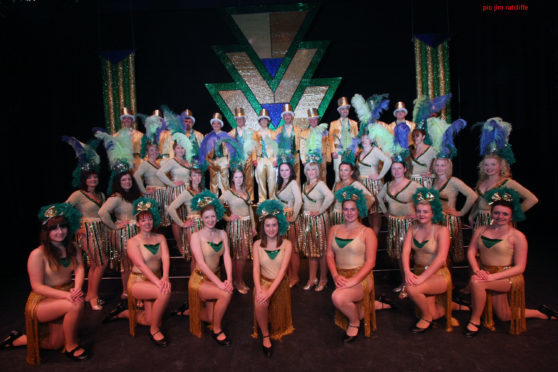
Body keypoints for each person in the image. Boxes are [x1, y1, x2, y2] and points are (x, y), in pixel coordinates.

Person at [2, 204, 88, 364]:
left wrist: (76, 289)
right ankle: (71, 346)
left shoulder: (73, 247)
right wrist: (68, 295)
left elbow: (80, 269)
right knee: (75, 305)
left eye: (63, 227)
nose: (60, 231)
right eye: (54, 228)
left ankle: (20, 339)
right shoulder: (37, 254)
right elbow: (37, 287)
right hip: (43, 300)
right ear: (46, 232)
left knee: (55, 344)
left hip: (65, 294)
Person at [464, 188, 557, 337]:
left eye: (505, 214)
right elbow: (471, 252)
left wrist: (491, 277)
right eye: (496, 213)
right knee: (504, 315)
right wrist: (477, 270)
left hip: (507, 277)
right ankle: (540, 313)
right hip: (486, 273)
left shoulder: (517, 236)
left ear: (512, 215)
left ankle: (475, 320)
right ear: (491, 213)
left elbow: (520, 267)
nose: (500, 216)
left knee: (476, 282)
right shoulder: (481, 229)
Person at [116, 198, 171, 346]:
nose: (147, 223)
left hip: (156, 279)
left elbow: (165, 258)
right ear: (138, 223)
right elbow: (141, 265)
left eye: (150, 219)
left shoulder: (160, 237)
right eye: (143, 220)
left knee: (148, 319)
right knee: (163, 293)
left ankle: (125, 313)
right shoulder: (133, 242)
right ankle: (154, 330)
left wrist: (165, 277)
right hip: (138, 282)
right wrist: (159, 283)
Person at [401, 188, 458, 333]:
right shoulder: (412, 229)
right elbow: (406, 252)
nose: (421, 214)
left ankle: (427, 318)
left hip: (438, 274)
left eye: (425, 211)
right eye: (419, 211)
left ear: (433, 213)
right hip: (419, 272)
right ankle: (452, 305)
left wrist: (421, 278)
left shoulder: (441, 230)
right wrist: (408, 272)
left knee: (413, 289)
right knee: (428, 308)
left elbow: (441, 258)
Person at [326, 186, 378, 342]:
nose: (349, 213)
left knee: (338, 297)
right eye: (346, 209)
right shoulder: (334, 229)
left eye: (353, 209)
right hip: (340, 277)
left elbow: (371, 262)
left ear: (359, 210)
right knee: (345, 300)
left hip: (361, 278)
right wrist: (335, 275)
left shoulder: (367, 232)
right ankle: (376, 305)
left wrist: (353, 281)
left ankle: (355, 323)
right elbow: (329, 254)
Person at [62, 136, 106, 311]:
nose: (93, 180)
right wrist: (75, 227)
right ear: (84, 180)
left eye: (95, 178)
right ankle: (92, 295)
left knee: (96, 263)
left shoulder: (101, 195)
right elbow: (64, 210)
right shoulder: (78, 195)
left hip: (100, 230)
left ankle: (91, 294)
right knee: (100, 263)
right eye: (90, 178)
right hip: (87, 231)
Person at [469, 117, 538, 227]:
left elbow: (532, 199)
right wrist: (472, 215)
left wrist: (512, 215)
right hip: (480, 225)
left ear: (500, 166)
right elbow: (480, 203)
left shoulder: (508, 183)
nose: (489, 167)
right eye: (486, 164)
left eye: (493, 164)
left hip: (498, 225)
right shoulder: (482, 182)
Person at [188, 191, 233, 346]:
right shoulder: (196, 237)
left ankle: (188, 311)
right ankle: (217, 330)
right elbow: (200, 264)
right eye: (206, 217)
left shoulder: (222, 233)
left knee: (209, 316)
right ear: (201, 218)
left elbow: (227, 257)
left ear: (218, 215)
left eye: (213, 216)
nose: (210, 220)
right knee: (225, 294)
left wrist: (229, 279)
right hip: (200, 279)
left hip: (215, 276)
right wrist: (220, 284)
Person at [251, 200, 294, 357]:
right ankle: (266, 336)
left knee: (268, 305)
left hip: (279, 284)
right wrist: (260, 289)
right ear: (263, 227)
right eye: (267, 225)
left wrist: (269, 292)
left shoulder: (287, 244)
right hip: (262, 282)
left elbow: (282, 271)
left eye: (274, 225)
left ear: (279, 226)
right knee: (259, 301)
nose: (271, 229)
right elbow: (255, 269)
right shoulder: (256, 245)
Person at [377, 159, 421, 295]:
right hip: (394, 224)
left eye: (399, 168)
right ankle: (405, 282)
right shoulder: (388, 185)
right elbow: (378, 198)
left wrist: (418, 214)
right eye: (393, 169)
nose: (396, 171)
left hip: (408, 225)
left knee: (408, 255)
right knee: (398, 255)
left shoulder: (413, 185)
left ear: (405, 169)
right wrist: (385, 212)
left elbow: (429, 198)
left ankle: (412, 284)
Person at [98, 171, 141, 298]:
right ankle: (127, 292)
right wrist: (114, 226)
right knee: (127, 263)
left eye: (129, 179)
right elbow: (102, 212)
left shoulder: (133, 195)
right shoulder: (116, 197)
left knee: (136, 263)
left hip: (137, 232)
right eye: (123, 180)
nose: (127, 182)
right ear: (118, 183)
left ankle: (136, 290)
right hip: (124, 233)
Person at [432, 158, 477, 263]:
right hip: (436, 220)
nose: (439, 168)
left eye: (442, 165)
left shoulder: (453, 181)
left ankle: (446, 277)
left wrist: (461, 212)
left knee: (445, 252)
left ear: (448, 167)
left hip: (448, 221)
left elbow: (473, 196)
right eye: (437, 165)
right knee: (437, 251)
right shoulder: (435, 181)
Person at [219, 169, 257, 294]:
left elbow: (250, 210)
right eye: (236, 177)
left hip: (246, 226)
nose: (239, 179)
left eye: (241, 177)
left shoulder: (246, 191)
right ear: (232, 179)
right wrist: (227, 217)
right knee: (240, 255)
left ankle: (237, 280)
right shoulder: (228, 193)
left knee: (240, 255)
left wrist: (253, 226)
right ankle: (239, 281)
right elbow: (216, 205)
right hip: (236, 226)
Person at [301, 161, 335, 292]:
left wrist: (320, 210)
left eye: (313, 170)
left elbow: (330, 197)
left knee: (321, 250)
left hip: (319, 220)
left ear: (317, 171)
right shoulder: (305, 185)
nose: (311, 172)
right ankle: (312, 278)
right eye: (308, 170)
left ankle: (323, 279)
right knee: (311, 251)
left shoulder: (320, 184)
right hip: (307, 220)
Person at [156, 140, 191, 255]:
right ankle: (180, 245)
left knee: (186, 217)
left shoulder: (188, 161)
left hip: (187, 191)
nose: (180, 150)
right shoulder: (172, 161)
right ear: (174, 149)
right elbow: (160, 173)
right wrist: (171, 184)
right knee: (176, 218)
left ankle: (187, 243)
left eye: (182, 148)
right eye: (178, 148)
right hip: (176, 191)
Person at [274, 160, 302, 288]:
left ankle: (295, 276)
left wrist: (293, 216)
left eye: (286, 170)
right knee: (285, 248)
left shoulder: (293, 183)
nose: (284, 172)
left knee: (293, 249)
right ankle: (288, 274)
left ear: (291, 171)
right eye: (282, 170)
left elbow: (299, 201)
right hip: (280, 218)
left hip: (289, 218)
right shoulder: (279, 184)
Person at [357, 132, 392, 234]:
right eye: (363, 139)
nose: (364, 141)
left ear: (371, 140)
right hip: (362, 185)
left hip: (373, 184)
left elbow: (388, 161)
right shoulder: (360, 152)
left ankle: (374, 238)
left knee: (375, 212)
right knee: (369, 213)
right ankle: (371, 238)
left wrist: (380, 176)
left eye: (367, 138)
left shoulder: (375, 150)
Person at [134, 143, 169, 226]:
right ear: (147, 152)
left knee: (161, 221)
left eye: (156, 150)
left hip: (162, 194)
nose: (154, 152)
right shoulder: (145, 164)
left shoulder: (158, 164)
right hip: (154, 194)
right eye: (151, 150)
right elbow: (136, 175)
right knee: (153, 219)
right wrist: (144, 191)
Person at [330, 161, 374, 226]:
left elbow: (371, 199)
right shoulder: (337, 184)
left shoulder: (355, 184)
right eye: (341, 170)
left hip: (348, 220)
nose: (343, 173)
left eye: (346, 170)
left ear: (351, 172)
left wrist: (358, 211)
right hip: (335, 217)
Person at [328, 97, 359, 183]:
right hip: (338, 151)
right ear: (339, 111)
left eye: (346, 109)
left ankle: (350, 193)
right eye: (342, 109)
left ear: (348, 110)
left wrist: (356, 150)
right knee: (338, 173)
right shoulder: (333, 124)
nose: (344, 111)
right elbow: (330, 139)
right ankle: (337, 193)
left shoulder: (354, 123)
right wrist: (333, 151)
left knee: (350, 172)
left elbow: (357, 138)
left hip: (350, 151)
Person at [228, 107, 256, 201]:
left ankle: (250, 199)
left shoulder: (250, 132)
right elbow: (229, 149)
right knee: (236, 181)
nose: (239, 121)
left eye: (241, 119)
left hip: (248, 160)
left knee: (249, 180)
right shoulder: (231, 133)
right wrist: (229, 161)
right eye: (237, 119)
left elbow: (254, 146)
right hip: (236, 161)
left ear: (244, 119)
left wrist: (254, 158)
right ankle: (236, 199)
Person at [202, 113, 231, 196]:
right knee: (213, 180)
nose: (216, 125)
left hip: (223, 160)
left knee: (224, 180)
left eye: (218, 123)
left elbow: (229, 149)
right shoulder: (207, 136)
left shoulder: (225, 135)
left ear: (221, 124)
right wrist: (206, 161)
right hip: (212, 161)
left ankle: (226, 198)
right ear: (212, 124)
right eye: (214, 123)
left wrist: (229, 161)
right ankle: (214, 197)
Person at [253, 109, 278, 203]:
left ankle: (272, 199)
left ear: (268, 121)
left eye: (265, 119)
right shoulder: (256, 134)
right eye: (262, 119)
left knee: (272, 180)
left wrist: (275, 159)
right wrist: (254, 159)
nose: (263, 121)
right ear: (259, 121)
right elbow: (253, 147)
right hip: (260, 159)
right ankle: (262, 199)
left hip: (271, 159)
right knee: (260, 179)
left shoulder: (273, 133)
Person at [300, 108, 330, 183]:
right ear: (309, 121)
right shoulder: (304, 132)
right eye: (311, 119)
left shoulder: (323, 131)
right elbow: (302, 147)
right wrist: (303, 160)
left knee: (322, 177)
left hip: (322, 158)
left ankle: (323, 194)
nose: (313, 121)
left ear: (318, 120)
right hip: (309, 158)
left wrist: (328, 158)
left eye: (315, 119)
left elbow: (328, 145)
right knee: (311, 177)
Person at [275, 104, 302, 184]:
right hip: (284, 157)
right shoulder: (278, 130)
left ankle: (296, 195)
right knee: (284, 178)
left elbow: (302, 145)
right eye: (285, 115)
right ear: (283, 117)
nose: (287, 117)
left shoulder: (298, 130)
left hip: (295, 157)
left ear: (292, 116)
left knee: (296, 177)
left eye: (289, 114)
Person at [117, 107, 144, 171]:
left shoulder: (141, 135)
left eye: (129, 118)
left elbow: (144, 151)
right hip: (123, 165)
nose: (127, 120)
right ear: (122, 120)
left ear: (132, 120)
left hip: (138, 165)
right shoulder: (116, 136)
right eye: (124, 118)